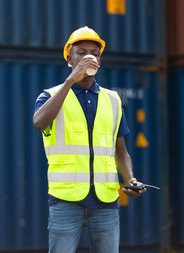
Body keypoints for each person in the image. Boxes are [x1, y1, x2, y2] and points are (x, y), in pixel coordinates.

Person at [33, 26, 146, 253]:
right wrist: (70, 82)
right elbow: (39, 122)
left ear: (100, 61)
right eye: (81, 52)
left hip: (105, 202)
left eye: (94, 53)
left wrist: (129, 179)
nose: (88, 57)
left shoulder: (113, 100)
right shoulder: (51, 95)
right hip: (65, 200)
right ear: (69, 58)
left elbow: (120, 151)